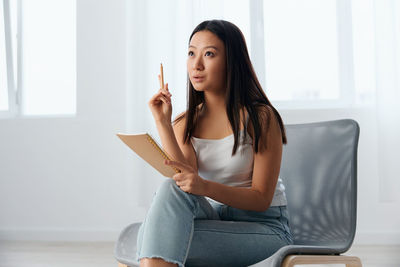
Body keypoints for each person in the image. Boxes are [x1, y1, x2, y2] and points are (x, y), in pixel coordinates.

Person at [137, 19, 293, 267]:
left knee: (154, 240)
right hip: (214, 221)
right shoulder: (185, 123)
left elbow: (261, 199)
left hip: (265, 229)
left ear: (232, 61)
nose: (196, 65)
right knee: (170, 191)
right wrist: (163, 123)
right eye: (191, 53)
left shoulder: (260, 117)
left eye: (209, 54)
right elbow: (184, 185)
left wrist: (205, 187)